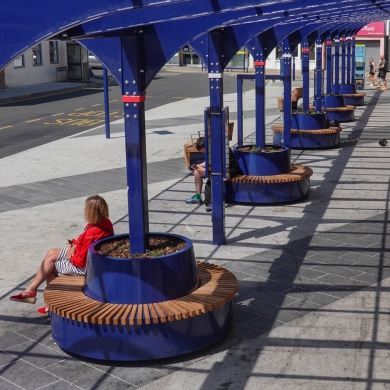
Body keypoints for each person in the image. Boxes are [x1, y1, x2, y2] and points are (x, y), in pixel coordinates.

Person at [9, 195, 114, 314]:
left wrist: (70, 256)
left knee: (51, 267)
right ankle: (31, 290)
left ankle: (46, 303)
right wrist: (74, 245)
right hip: (88, 256)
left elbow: (81, 261)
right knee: (51, 253)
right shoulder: (104, 222)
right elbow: (85, 245)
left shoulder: (93, 231)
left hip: (86, 266)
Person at [185, 137, 243, 212]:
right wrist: (198, 166)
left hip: (231, 169)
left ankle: (214, 202)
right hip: (220, 168)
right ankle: (198, 197)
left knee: (214, 175)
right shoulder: (211, 149)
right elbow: (209, 163)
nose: (203, 152)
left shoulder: (220, 149)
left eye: (203, 150)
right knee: (196, 172)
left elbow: (220, 166)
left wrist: (205, 170)